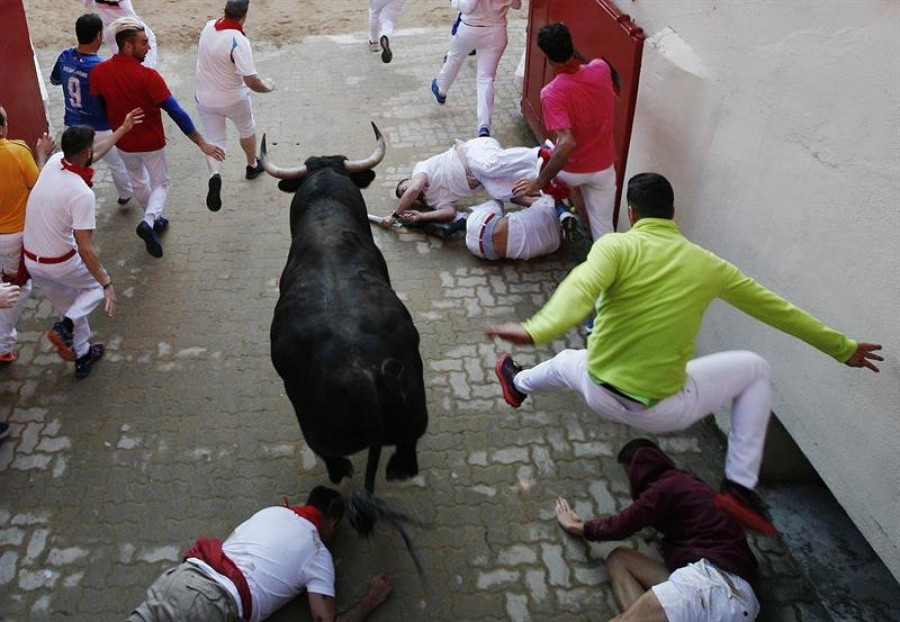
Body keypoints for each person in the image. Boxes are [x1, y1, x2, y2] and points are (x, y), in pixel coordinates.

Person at [487, 172, 882, 535]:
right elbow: (777, 309)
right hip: (665, 410)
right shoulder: (708, 265)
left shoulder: (615, 246)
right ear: (673, 213)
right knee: (755, 369)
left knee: (566, 362)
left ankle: (518, 384)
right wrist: (841, 348)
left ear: (632, 211)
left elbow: (580, 289)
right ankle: (739, 488)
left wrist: (535, 329)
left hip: (599, 390)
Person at [556, 439, 761, 621]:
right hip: (717, 587)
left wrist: (576, 526)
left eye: (630, 474)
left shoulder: (664, 487)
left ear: (640, 468)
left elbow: (620, 525)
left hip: (718, 588)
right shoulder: (682, 482)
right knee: (619, 560)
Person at [126, 486, 393, 622]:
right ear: (333, 523)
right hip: (211, 604)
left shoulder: (271, 511)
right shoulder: (318, 551)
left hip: (181, 578)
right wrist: (372, 598)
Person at [90, 17, 225, 258]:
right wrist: (201, 142)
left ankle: (155, 220)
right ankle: (150, 221)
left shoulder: (99, 71)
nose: (149, 47)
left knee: (139, 182)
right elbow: (176, 112)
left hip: (123, 143)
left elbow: (98, 110)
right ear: (128, 46)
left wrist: (116, 126)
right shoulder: (149, 77)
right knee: (160, 183)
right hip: (151, 142)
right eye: (144, 43)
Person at [24, 116, 141, 379]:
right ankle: (64, 328)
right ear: (85, 151)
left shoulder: (55, 163)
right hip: (60, 261)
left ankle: (82, 354)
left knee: (75, 306)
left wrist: (122, 129)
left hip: (33, 261)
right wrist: (107, 283)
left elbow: (95, 154)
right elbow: (86, 249)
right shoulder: (82, 194)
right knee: (95, 289)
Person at [512, 23, 618, 240]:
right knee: (604, 231)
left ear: (547, 56)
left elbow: (567, 143)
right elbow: (584, 65)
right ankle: (610, 268)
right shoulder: (601, 68)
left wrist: (538, 182)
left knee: (540, 156)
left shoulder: (551, 92)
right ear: (571, 45)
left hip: (572, 172)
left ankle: (559, 206)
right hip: (604, 166)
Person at [195, 0, 275, 212]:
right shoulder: (238, 41)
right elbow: (251, 81)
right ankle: (252, 165)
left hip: (204, 96)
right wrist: (267, 87)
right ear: (245, 15)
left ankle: (215, 174)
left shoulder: (209, 26)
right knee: (246, 128)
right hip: (232, 98)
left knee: (215, 139)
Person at [50, 12, 134, 207]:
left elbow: (54, 80)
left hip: (71, 126)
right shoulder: (102, 67)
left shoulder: (64, 57)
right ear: (99, 35)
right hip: (100, 127)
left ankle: (73, 199)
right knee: (117, 164)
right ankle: (125, 194)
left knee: (72, 168)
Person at [381, 136, 542, 230]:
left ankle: (541, 153)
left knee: (490, 167)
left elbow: (414, 189)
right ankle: (549, 192)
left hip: (475, 152)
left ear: (409, 179)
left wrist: (394, 215)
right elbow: (449, 213)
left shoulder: (420, 170)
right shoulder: (432, 200)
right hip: (484, 177)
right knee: (508, 193)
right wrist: (423, 216)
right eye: (405, 195)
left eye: (404, 188)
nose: (407, 193)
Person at [0, 104, 56, 365]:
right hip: (13, 237)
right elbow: (40, 187)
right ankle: (3, 344)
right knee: (16, 289)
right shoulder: (17, 152)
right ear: (3, 127)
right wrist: (42, 155)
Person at [431, 0, 522, 138]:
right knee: (486, 79)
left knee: (454, 60)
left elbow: (467, 7)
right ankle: (484, 126)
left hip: (470, 28)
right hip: (496, 30)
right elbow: (517, 5)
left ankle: (441, 90)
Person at [464, 194, 576, 261]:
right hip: (483, 252)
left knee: (497, 202)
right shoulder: (555, 244)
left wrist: (535, 190)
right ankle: (461, 220)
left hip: (480, 224)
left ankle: (462, 219)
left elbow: (515, 198)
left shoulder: (548, 202)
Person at [82, 0, 158, 67]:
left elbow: (86, 3)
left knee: (120, 60)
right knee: (148, 45)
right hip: (125, 30)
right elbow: (131, 15)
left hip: (109, 31)